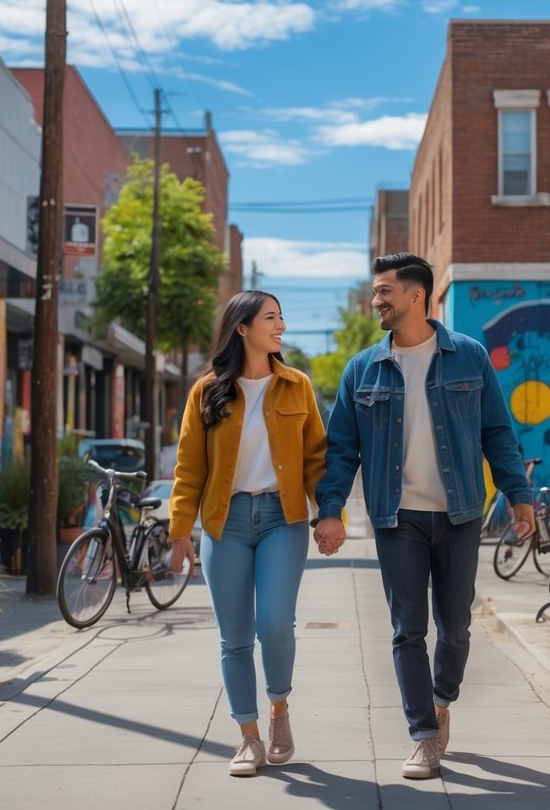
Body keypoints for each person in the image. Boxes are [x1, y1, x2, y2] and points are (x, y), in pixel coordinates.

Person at [313, 253, 533, 779]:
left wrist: (517, 492)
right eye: (375, 292)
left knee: (454, 627)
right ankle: (423, 735)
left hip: (458, 514)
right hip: (396, 517)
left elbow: (496, 432)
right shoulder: (361, 368)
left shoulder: (469, 356)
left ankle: (440, 700)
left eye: (385, 291)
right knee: (406, 629)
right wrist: (331, 510)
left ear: (417, 295)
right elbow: (342, 449)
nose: (377, 301)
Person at [168, 290, 327, 777]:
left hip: (283, 519)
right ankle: (248, 737)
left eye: (281, 317)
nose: (281, 325)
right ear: (243, 328)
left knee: (275, 623)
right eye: (271, 318)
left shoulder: (296, 385)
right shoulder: (206, 392)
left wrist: (330, 513)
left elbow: (318, 458)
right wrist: (179, 534)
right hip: (226, 523)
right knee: (234, 636)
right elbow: (189, 467)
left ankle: (278, 711)